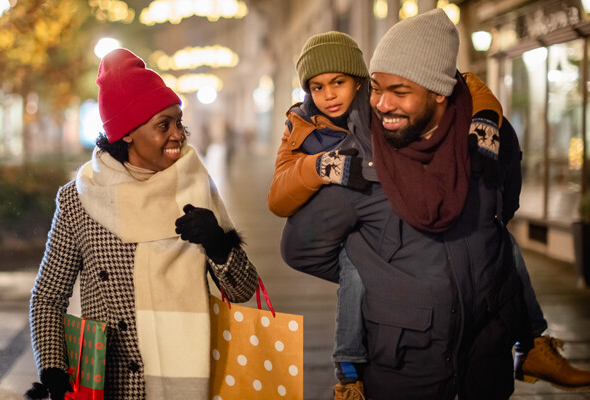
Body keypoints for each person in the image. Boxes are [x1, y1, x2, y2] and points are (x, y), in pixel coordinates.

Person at [281, 10, 529, 398]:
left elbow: (503, 212)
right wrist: (385, 281)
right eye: (377, 89)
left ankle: (537, 341)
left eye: (399, 92)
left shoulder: (484, 145)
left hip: (486, 360)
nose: (381, 104)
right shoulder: (357, 162)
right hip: (405, 370)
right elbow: (300, 249)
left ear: (438, 92)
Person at [26, 48, 258, 400]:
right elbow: (48, 298)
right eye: (163, 125)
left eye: (178, 122)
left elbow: (243, 289)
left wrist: (218, 242)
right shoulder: (79, 199)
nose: (178, 135)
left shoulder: (196, 188)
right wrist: (55, 370)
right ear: (128, 133)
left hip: (191, 378)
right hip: (113, 385)